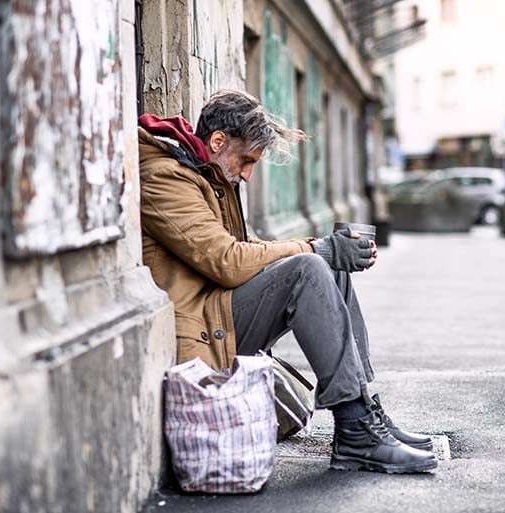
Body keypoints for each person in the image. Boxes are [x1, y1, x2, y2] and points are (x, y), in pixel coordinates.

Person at [138, 90, 436, 474]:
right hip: (200, 327)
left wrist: (327, 250)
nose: (247, 173)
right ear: (217, 141)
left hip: (220, 311)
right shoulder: (166, 178)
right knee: (309, 268)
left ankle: (363, 412)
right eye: (246, 160)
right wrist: (312, 248)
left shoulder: (204, 172)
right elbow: (226, 261)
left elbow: (242, 247)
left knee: (328, 266)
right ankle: (357, 434)